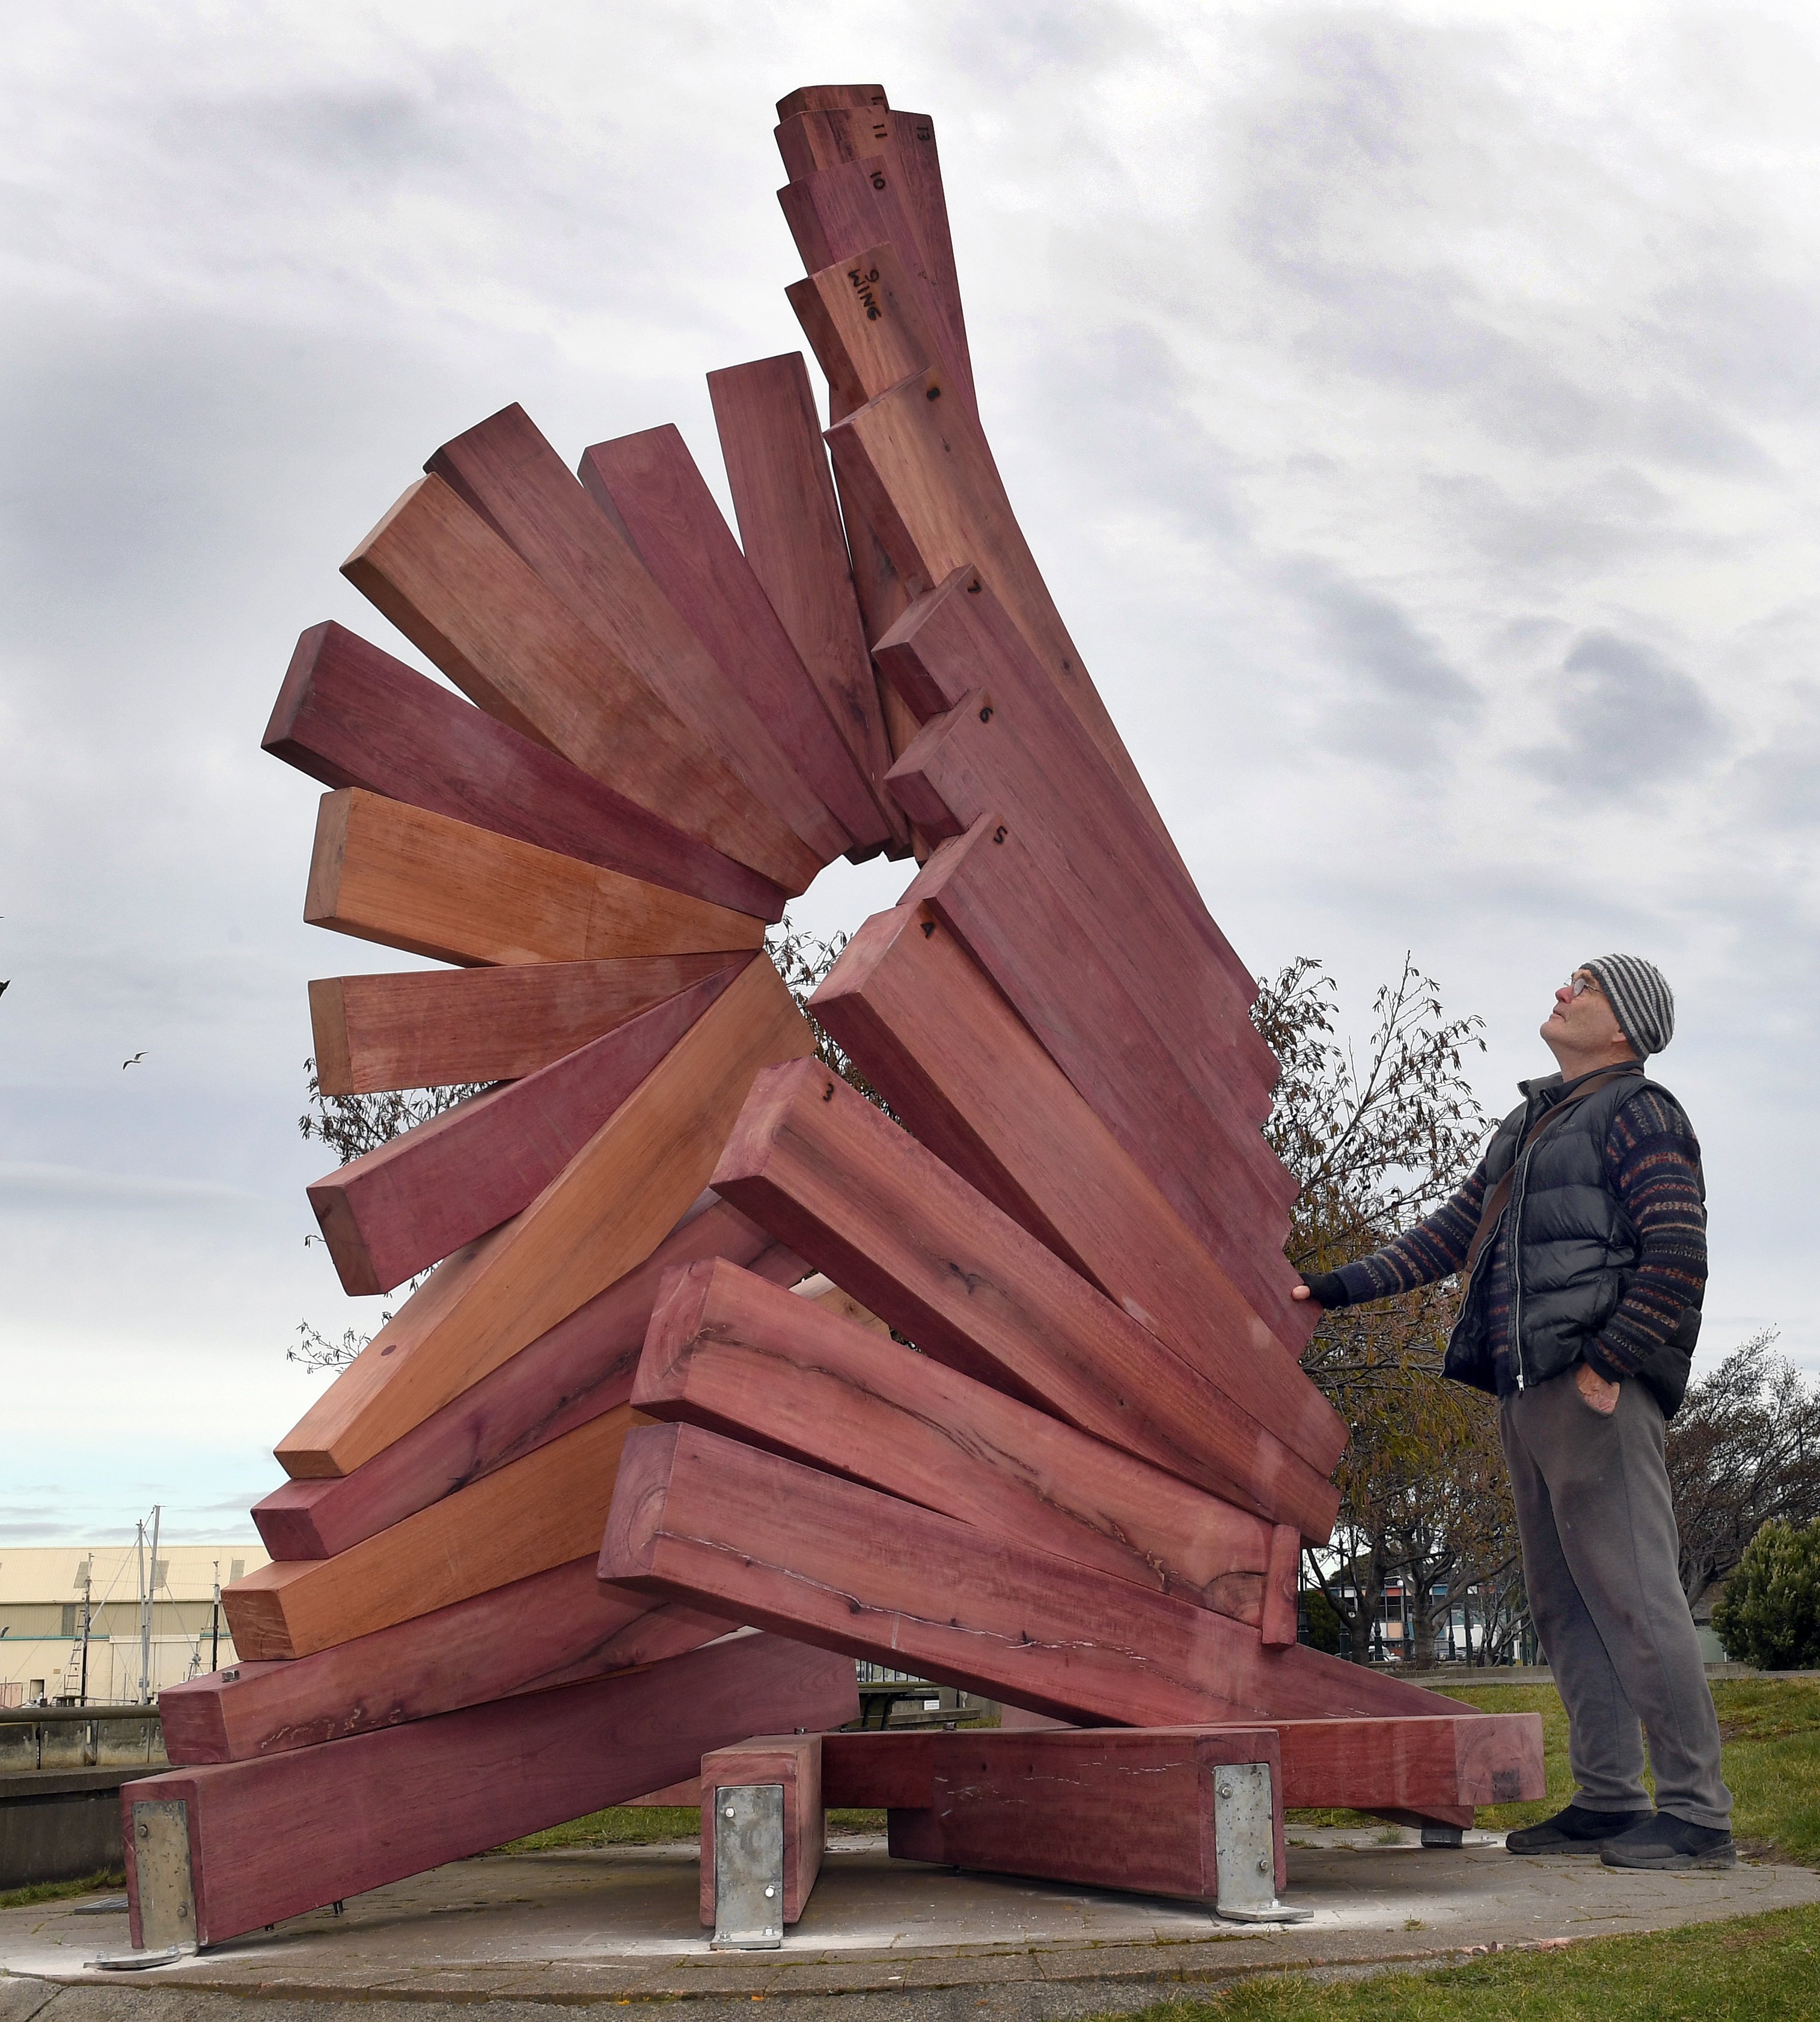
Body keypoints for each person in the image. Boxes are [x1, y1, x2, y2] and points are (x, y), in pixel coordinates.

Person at [1294, 955, 1734, 1871]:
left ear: (1624, 1027)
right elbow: (1452, 1233)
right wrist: (1329, 1288)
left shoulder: (1642, 1113)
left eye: (1586, 985)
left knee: (1640, 1600)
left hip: (1591, 1388)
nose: (1562, 990)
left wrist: (1609, 1363)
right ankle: (1611, 1800)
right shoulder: (1534, 1121)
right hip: (1526, 1386)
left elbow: (1679, 1251)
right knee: (1565, 1606)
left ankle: (1697, 1816)